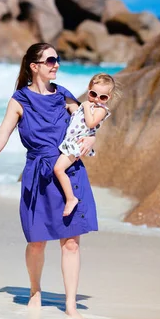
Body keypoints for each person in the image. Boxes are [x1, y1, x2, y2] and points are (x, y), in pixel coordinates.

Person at [0, 43, 97, 319]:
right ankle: (35, 291)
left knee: (71, 242)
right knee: (37, 241)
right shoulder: (20, 100)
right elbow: (1, 137)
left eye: (57, 59)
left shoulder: (65, 96)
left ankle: (70, 304)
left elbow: (88, 121)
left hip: (68, 171)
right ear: (34, 66)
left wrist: (93, 137)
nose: (56, 64)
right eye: (50, 60)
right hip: (38, 175)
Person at [54, 73, 114, 216]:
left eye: (103, 97)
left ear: (108, 98)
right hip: (71, 141)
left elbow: (91, 123)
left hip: (77, 143)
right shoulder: (84, 106)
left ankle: (71, 199)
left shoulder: (100, 109)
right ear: (89, 89)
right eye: (93, 94)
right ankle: (69, 197)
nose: (97, 99)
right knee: (58, 169)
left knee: (58, 169)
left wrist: (86, 107)